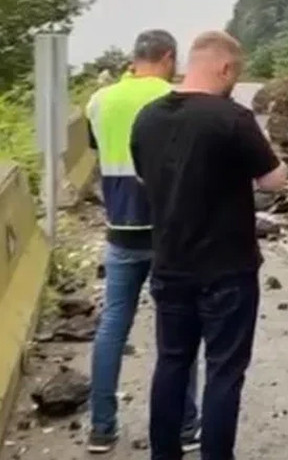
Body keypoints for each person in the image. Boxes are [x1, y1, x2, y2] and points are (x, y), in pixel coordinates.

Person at [131, 31, 287, 460]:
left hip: (170, 263)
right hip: (227, 269)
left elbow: (144, 177)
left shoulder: (147, 118)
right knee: (224, 371)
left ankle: (164, 454)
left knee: (172, 363)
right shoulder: (232, 118)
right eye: (235, 73)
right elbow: (273, 180)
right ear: (225, 67)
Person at [84, 30, 201, 454]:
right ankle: (185, 426)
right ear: (168, 58)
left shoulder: (99, 101)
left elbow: (96, 151)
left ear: (134, 58)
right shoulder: (174, 99)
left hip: (120, 229)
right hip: (167, 232)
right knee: (179, 328)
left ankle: (101, 427)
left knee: (113, 325)